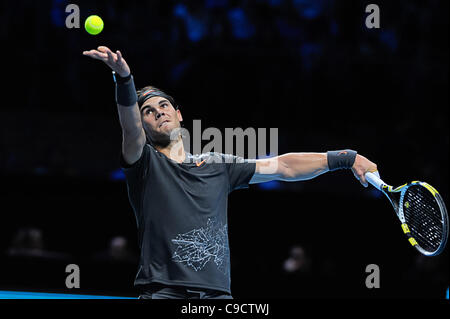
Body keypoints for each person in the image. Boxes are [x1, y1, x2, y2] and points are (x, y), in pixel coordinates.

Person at [83, 46, 377, 299]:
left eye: (164, 105)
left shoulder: (218, 164)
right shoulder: (143, 164)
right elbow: (130, 129)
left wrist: (345, 158)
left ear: (179, 113)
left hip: (217, 295)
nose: (159, 112)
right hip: (163, 291)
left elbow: (284, 166)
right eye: (148, 111)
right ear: (144, 123)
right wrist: (123, 78)